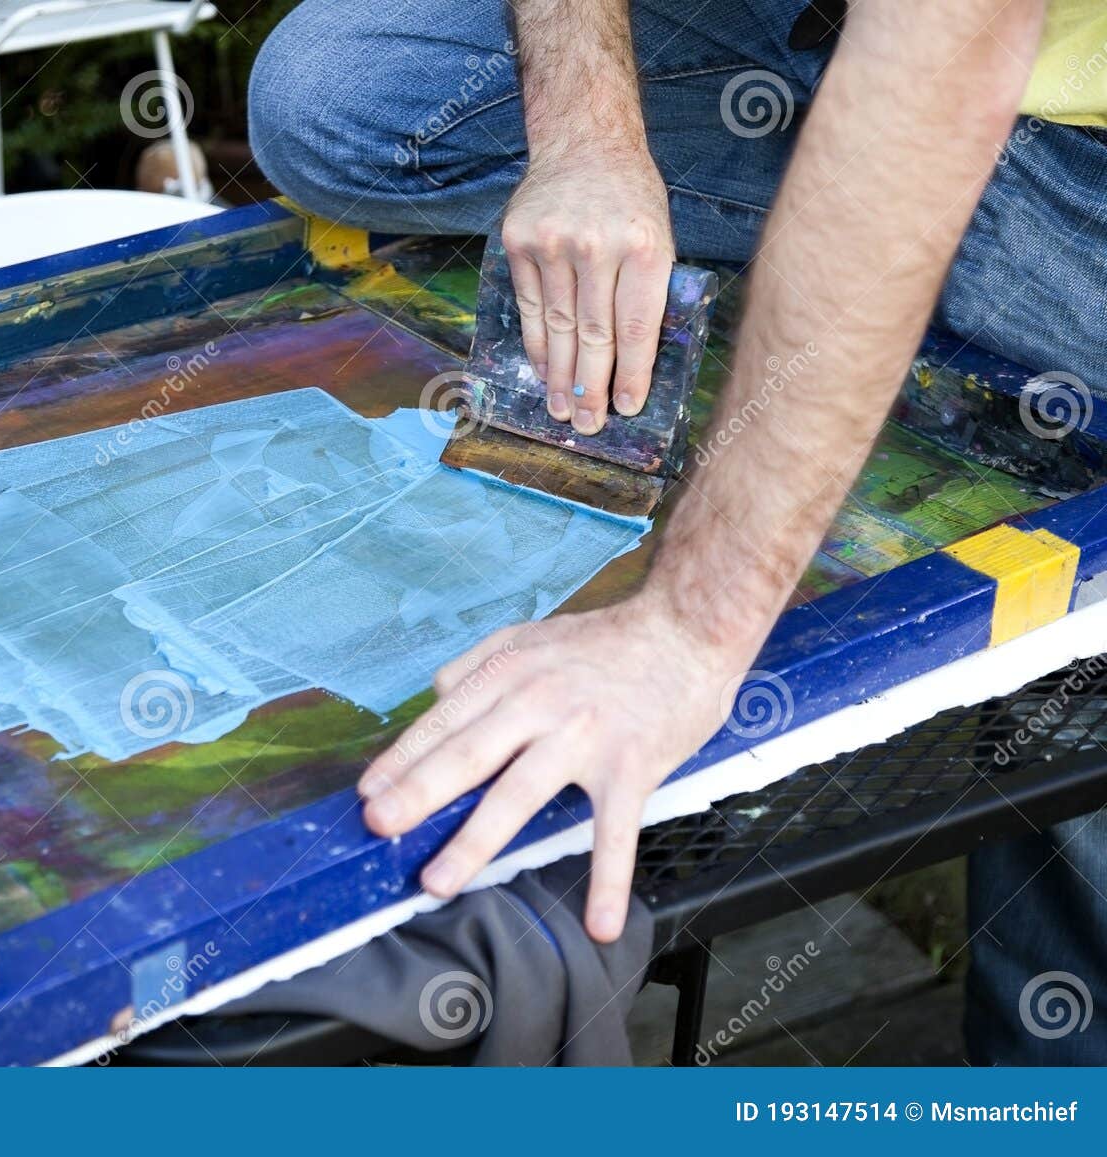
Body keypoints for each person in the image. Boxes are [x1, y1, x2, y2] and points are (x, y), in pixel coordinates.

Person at [248, 0, 1107, 1063]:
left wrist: (690, 628)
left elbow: (939, 59)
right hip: (836, 42)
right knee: (334, 95)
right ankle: (864, 260)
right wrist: (588, 142)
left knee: (1082, 712)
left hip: (1069, 162)